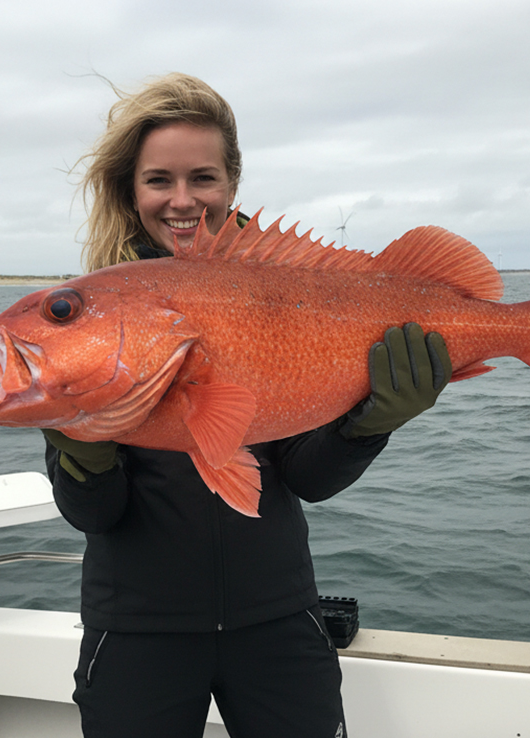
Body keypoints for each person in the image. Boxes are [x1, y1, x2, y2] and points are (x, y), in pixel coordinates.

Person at [43, 72, 451, 738]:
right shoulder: (96, 315)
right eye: (158, 180)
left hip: (280, 621)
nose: (182, 200)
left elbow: (307, 480)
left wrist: (372, 421)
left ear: (231, 183)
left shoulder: (283, 291)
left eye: (202, 178)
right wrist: (83, 451)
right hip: (137, 632)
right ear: (131, 190)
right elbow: (95, 513)